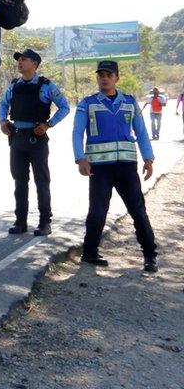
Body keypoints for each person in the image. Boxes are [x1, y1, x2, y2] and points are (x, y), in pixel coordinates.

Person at [72, 60, 157, 273]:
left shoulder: (129, 102)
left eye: (109, 75)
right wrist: (80, 158)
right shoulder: (87, 103)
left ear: (116, 77)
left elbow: (142, 132)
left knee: (138, 210)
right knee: (98, 211)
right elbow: (77, 132)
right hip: (99, 168)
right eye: (101, 74)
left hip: (127, 167)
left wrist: (148, 158)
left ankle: (149, 255)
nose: (104, 78)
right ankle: (89, 252)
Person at [0, 49, 70, 236]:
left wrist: (48, 125)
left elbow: (64, 107)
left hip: (37, 139)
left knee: (42, 181)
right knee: (19, 182)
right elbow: (3, 104)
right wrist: (2, 121)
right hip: (17, 138)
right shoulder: (14, 85)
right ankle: (20, 222)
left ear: (34, 64)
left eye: (24, 59)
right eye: (19, 59)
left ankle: (45, 222)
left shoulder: (46, 86)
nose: (20, 62)